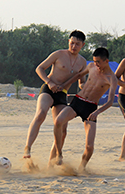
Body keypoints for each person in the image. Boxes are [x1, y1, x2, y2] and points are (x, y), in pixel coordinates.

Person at [50, 47, 118, 171]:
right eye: (94, 61)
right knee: (58, 121)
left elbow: (110, 102)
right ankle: (59, 154)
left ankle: (82, 167)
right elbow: (78, 76)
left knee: (90, 146)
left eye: (98, 62)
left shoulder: (111, 78)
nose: (96, 64)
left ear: (106, 61)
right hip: (78, 101)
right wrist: (64, 86)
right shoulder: (91, 66)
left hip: (91, 108)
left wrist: (97, 112)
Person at [23, 30, 87, 158]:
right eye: (72, 43)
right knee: (41, 114)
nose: (74, 47)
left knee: (62, 128)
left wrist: (87, 88)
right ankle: (28, 147)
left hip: (62, 94)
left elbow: (82, 82)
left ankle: (53, 159)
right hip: (49, 89)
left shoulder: (82, 62)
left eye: (77, 44)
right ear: (69, 42)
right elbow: (39, 68)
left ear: (82, 45)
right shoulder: (58, 54)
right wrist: (49, 81)